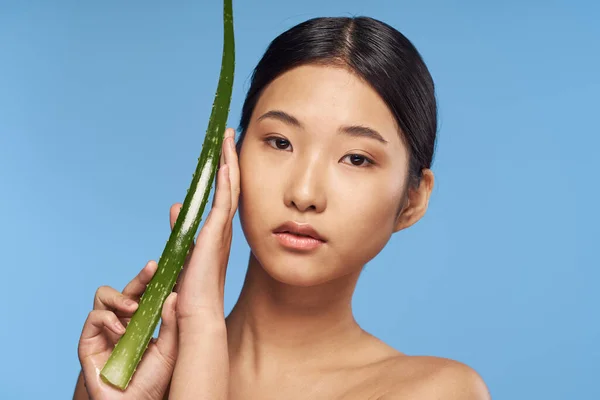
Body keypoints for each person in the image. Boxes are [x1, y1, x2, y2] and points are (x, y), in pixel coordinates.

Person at [74, 16, 491, 399]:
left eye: (357, 158)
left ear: (412, 200)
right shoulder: (129, 376)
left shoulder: (436, 391)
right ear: (231, 158)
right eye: (280, 142)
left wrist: (201, 327)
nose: (305, 193)